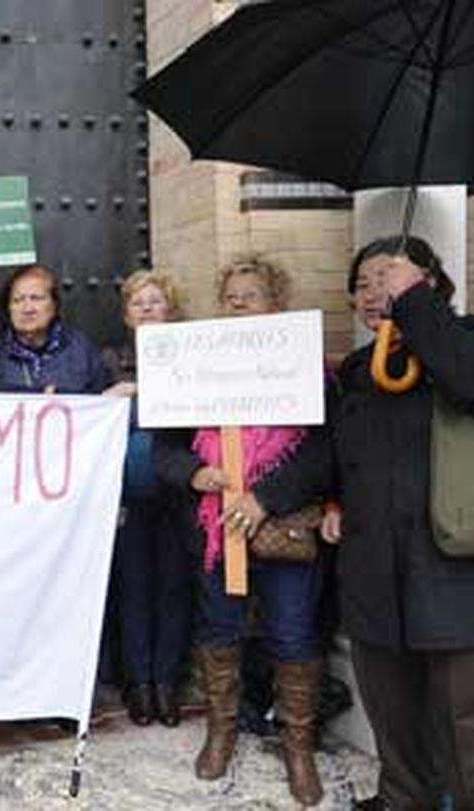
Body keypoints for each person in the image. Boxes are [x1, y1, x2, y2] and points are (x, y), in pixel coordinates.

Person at [333, 236, 474, 810]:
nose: (375, 291)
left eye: (389, 277)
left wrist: (416, 307)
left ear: (430, 281)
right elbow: (336, 460)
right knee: (398, 737)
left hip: (469, 584)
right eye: (363, 283)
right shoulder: (358, 371)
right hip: (381, 583)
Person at [156, 256, 329, 805]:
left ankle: (297, 747)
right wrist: (194, 473)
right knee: (219, 627)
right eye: (229, 294)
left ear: (275, 304)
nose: (237, 303)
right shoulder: (196, 365)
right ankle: (221, 731)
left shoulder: (308, 368)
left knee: (293, 631)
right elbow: (165, 449)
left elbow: (328, 452)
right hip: (215, 529)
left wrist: (265, 497)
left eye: (250, 294)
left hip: (283, 528)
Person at [103, 271, 192, 728]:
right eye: (138, 303)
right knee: (134, 588)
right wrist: (108, 398)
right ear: (126, 313)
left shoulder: (193, 356)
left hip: (180, 495)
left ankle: (167, 683)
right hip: (129, 498)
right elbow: (89, 423)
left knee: (174, 589)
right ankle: (138, 684)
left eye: (156, 302)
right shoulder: (110, 360)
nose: (147, 309)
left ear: (171, 310)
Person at [0, 263, 109, 393]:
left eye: (36, 298)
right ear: (8, 309)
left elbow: (101, 402)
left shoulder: (79, 349)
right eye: (17, 300)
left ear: (54, 306)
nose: (28, 309)